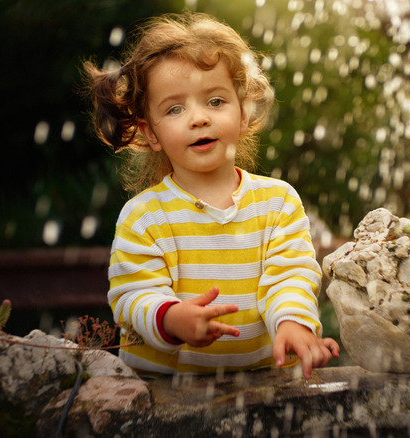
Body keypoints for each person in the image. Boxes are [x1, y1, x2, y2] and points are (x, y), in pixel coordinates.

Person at [84, 12, 339, 379]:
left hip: (265, 380)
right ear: (150, 132)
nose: (198, 118)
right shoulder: (144, 217)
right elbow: (131, 297)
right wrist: (170, 318)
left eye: (215, 102)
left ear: (243, 114)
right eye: (175, 109)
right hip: (165, 392)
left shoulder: (278, 203)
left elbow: (291, 276)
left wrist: (294, 324)